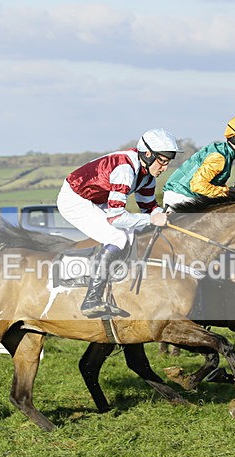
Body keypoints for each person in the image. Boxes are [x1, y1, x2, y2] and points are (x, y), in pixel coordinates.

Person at [57, 128, 181, 318]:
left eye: (168, 162)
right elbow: (116, 218)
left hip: (95, 199)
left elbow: (148, 206)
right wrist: (151, 219)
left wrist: (164, 216)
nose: (165, 168)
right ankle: (91, 298)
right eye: (162, 161)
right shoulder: (125, 170)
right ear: (148, 154)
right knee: (117, 236)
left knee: (129, 235)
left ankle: (110, 285)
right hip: (74, 198)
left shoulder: (147, 175)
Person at [162, 114, 235, 208]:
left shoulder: (225, 152)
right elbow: (197, 186)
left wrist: (233, 191)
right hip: (182, 197)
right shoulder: (219, 157)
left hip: (187, 195)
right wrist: (227, 192)